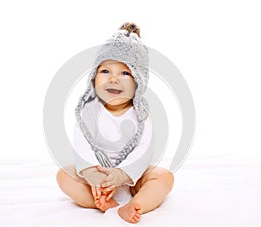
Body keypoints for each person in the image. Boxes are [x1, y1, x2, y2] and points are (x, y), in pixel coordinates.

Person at [56, 23, 174, 224]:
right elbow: (82, 144)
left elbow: (144, 150)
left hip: (132, 178)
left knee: (164, 177)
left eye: (125, 73)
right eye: (105, 71)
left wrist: (123, 174)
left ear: (139, 81)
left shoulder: (141, 115)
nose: (113, 79)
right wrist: (92, 173)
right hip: (96, 177)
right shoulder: (89, 110)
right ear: (93, 77)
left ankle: (136, 203)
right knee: (64, 175)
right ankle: (101, 201)